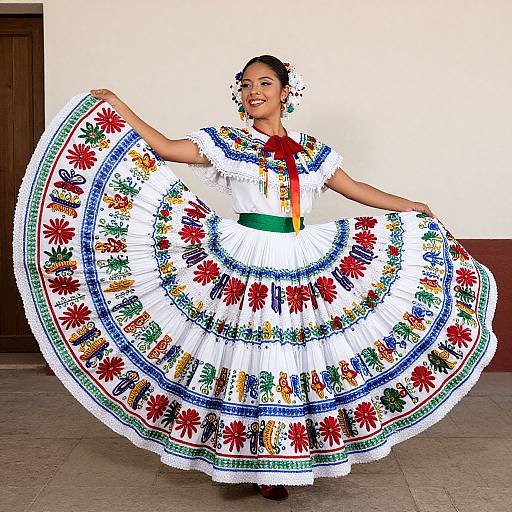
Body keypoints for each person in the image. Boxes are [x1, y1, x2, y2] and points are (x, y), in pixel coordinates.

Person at [14, 55, 497, 503]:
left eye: (264, 82)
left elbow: (355, 189)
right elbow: (162, 147)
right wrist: (120, 107)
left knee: (291, 355)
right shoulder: (227, 141)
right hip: (245, 253)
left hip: (301, 256)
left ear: (287, 92)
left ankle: (280, 461)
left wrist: (408, 205)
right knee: (249, 354)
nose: (253, 91)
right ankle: (251, 459)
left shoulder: (312, 152)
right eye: (246, 85)